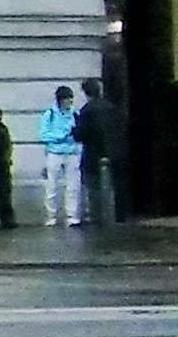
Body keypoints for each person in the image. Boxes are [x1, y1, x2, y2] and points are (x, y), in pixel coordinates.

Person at [78, 76, 121, 228]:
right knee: (110, 187)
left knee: (94, 188)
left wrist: (74, 130)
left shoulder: (86, 110)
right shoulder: (111, 108)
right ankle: (113, 216)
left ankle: (98, 219)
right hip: (112, 153)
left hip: (92, 153)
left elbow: (81, 134)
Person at [37, 87, 83, 227]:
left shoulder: (76, 114)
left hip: (72, 153)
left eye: (70, 98)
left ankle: (72, 215)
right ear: (60, 100)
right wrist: (61, 136)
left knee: (73, 186)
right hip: (54, 153)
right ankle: (51, 215)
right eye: (66, 99)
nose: (69, 101)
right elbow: (43, 135)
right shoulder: (49, 114)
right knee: (52, 185)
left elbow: (79, 133)